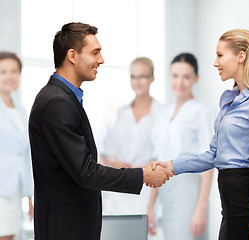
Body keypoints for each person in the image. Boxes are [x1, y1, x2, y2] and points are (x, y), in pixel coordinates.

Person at [28, 22, 172, 240]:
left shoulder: (64, 98)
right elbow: (86, 172)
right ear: (72, 56)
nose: (101, 60)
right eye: (95, 52)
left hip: (72, 223)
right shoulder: (57, 103)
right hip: (65, 227)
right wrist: (142, 175)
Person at [151, 29, 249, 240]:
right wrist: (172, 166)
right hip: (229, 208)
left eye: (220, 55)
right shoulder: (230, 101)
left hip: (244, 204)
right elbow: (214, 154)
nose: (215, 62)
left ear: (241, 56)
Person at [148, 53, 215, 240]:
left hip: (189, 194)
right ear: (169, 76)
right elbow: (156, 160)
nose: (180, 82)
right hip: (165, 192)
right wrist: (151, 206)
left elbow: (209, 163)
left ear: (196, 78)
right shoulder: (163, 113)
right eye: (175, 76)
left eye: (186, 77)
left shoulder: (202, 112)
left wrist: (201, 209)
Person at [100, 57, 162, 215]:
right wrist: (115, 162)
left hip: (144, 190)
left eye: (142, 76)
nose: (137, 81)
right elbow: (104, 154)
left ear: (152, 78)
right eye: (133, 76)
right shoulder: (121, 112)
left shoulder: (161, 114)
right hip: (118, 189)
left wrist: (151, 208)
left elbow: (161, 161)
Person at [0, 52, 34, 240]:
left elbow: (25, 154)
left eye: (14, 71)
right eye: (3, 71)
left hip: (15, 190)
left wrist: (29, 197)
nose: (9, 76)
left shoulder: (21, 111)